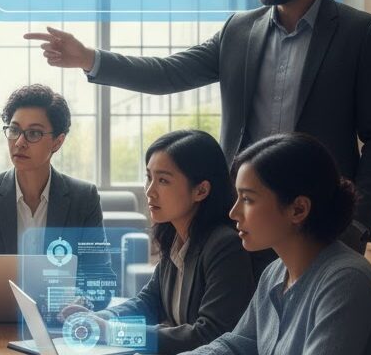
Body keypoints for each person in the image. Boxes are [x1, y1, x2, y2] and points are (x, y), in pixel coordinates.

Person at [26, 0, 371, 254]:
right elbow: (168, 74)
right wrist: (90, 59)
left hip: (319, 224)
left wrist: (357, 223)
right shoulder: (239, 32)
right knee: (236, 322)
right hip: (239, 218)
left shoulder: (360, 33)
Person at [182, 133, 371, 355]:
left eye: (247, 199)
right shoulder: (275, 273)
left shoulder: (346, 281)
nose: (233, 212)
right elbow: (236, 346)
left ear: (298, 209)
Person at [60, 130, 255, 354]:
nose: (150, 191)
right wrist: (98, 318)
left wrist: (114, 332)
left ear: (201, 190)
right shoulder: (174, 236)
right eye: (149, 177)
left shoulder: (224, 246)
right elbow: (149, 302)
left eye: (163, 180)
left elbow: (209, 335)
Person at [0, 84, 104, 295]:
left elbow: (99, 277)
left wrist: (81, 301)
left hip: (60, 319)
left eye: (34, 133)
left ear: (58, 142)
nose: (19, 142)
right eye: (14, 130)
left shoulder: (84, 198)